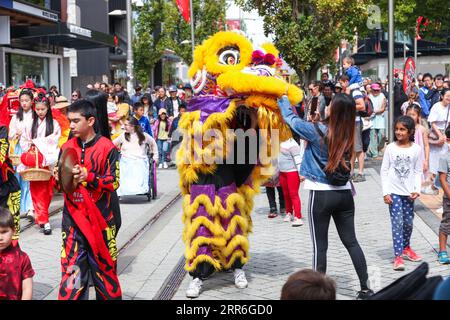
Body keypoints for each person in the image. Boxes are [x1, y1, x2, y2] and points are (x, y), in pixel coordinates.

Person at [278, 93, 373, 299]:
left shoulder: (317, 130)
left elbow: (290, 119)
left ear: (335, 110)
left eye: (330, 105)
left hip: (320, 194)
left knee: (320, 246)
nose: (327, 106)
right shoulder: (349, 133)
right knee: (352, 242)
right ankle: (366, 288)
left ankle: (315, 294)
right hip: (345, 195)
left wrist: (282, 96)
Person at [56, 99, 122, 300]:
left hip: (101, 222)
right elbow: (61, 186)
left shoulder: (107, 147)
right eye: (70, 121)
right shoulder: (67, 147)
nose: (72, 125)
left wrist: (89, 177)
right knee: (72, 272)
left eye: (76, 121)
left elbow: (114, 182)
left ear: (91, 120)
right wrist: (57, 177)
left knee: (104, 273)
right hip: (73, 223)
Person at [381, 116, 423, 271]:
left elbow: (418, 171)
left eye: (402, 129)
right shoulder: (391, 148)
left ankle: (406, 248)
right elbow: (384, 171)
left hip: (409, 193)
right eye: (397, 129)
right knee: (397, 223)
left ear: (410, 131)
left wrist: (417, 189)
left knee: (408, 223)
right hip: (394, 193)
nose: (398, 132)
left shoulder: (416, 149)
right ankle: (398, 256)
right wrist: (386, 192)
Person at [19, 93, 61, 235]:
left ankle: (41, 217)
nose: (40, 112)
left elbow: (54, 140)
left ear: (48, 108)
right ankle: (45, 220)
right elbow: (24, 141)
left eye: (43, 109)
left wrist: (38, 143)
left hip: (47, 160)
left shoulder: (54, 124)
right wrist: (32, 146)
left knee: (48, 192)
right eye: (37, 109)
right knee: (37, 192)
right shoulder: (29, 123)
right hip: (34, 162)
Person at [113, 116, 158, 197]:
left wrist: (155, 156)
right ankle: (124, 190)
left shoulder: (144, 136)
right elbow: (112, 144)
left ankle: (139, 189)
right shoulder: (123, 136)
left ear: (132, 126)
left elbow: (153, 143)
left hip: (140, 160)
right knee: (124, 169)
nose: (124, 127)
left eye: (126, 125)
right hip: (125, 160)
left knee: (138, 169)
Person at [8, 89, 34, 220]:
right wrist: (15, 134)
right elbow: (10, 135)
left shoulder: (35, 116)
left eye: (26, 101)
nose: (24, 103)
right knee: (17, 178)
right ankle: (17, 206)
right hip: (19, 151)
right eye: (22, 101)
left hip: (30, 150)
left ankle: (30, 208)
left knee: (29, 179)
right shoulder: (16, 117)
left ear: (31, 101)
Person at [0, 208, 34, 300]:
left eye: (4, 232)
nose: (0, 237)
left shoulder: (22, 258)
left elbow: (27, 288)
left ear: (13, 231)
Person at [339, 75, 367, 183]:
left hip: (355, 123)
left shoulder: (355, 92)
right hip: (347, 123)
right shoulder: (345, 92)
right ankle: (350, 172)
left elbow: (362, 106)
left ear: (346, 81)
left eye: (341, 83)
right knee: (351, 148)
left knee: (358, 148)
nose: (340, 85)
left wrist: (346, 106)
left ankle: (360, 173)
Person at [428, 89, 450, 193]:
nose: (449, 98)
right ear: (442, 96)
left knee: (443, 161)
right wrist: (440, 135)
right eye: (447, 96)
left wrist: (445, 135)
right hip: (436, 134)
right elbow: (432, 122)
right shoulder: (436, 106)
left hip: (445, 135)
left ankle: (438, 186)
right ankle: (434, 185)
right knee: (435, 161)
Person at [279, 134, 304, 226]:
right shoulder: (278, 142)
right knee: (285, 194)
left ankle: (298, 217)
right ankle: (289, 212)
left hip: (292, 172)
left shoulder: (292, 144)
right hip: (282, 172)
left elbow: (298, 160)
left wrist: (301, 173)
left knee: (293, 194)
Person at [405, 105, 431, 194]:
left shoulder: (422, 129)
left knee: (417, 180)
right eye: (409, 114)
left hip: (419, 158)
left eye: (413, 114)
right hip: (407, 157)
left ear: (418, 116)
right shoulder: (403, 129)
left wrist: (426, 160)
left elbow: (426, 145)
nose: (411, 117)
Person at [437, 126, 450, 264]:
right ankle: (442, 251)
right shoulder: (445, 158)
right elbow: (442, 179)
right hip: (449, 197)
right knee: (447, 223)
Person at [367, 83, 387, 158]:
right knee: (373, 136)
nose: (376, 92)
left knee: (382, 135)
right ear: (371, 90)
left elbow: (383, 108)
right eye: (374, 90)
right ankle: (374, 153)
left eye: (377, 90)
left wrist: (374, 111)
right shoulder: (369, 96)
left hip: (380, 118)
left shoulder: (382, 96)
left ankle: (379, 148)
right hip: (372, 119)